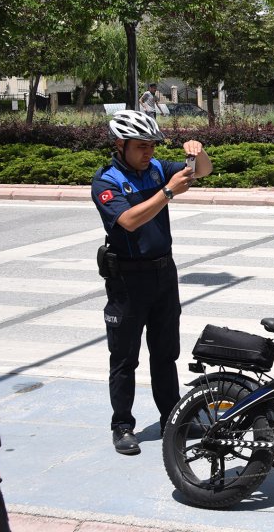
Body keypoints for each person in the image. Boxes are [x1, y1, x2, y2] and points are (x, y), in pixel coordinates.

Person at [91, 110, 213, 455]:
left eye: (153, 146)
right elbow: (128, 220)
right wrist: (168, 193)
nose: (149, 153)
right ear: (120, 144)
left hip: (163, 273)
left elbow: (201, 171)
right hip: (128, 279)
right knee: (125, 357)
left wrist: (197, 152)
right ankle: (122, 426)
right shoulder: (107, 181)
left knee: (165, 354)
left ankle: (171, 418)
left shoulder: (158, 168)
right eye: (141, 146)